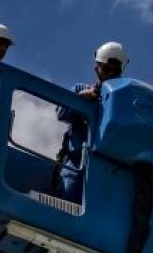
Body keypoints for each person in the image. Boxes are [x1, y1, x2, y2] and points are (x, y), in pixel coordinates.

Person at [54, 41, 128, 201]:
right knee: (68, 201)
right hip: (75, 164)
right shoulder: (81, 89)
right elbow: (61, 112)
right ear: (97, 67)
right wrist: (81, 99)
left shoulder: (121, 101)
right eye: (106, 68)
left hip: (105, 168)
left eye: (114, 71)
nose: (110, 74)